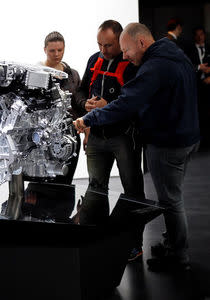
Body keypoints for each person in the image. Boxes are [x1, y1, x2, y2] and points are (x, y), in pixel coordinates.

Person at [74, 23, 200, 271]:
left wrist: (88, 119)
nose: (125, 55)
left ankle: (178, 255)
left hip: (166, 142)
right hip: (186, 136)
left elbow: (126, 103)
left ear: (141, 42)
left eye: (125, 49)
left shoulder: (152, 67)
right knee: (170, 196)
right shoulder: (172, 52)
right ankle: (171, 243)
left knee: (169, 200)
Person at [75, 20, 145, 261]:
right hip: (96, 137)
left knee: (133, 191)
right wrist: (85, 105)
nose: (103, 50)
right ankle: (98, 239)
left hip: (124, 137)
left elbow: (137, 103)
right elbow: (80, 91)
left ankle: (134, 244)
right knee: (96, 189)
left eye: (109, 45)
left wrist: (108, 107)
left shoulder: (133, 63)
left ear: (120, 40)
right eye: (99, 44)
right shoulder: (94, 60)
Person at [37, 31, 83, 184]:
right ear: (45, 50)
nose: (56, 54)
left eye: (60, 50)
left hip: (69, 137)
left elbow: (79, 103)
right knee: (41, 182)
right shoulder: (36, 74)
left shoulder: (73, 75)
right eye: (52, 50)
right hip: (43, 138)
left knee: (66, 182)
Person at [185, 26, 210, 147]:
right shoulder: (188, 50)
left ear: (205, 35)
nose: (200, 37)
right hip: (196, 88)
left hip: (209, 87)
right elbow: (186, 67)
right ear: (194, 36)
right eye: (197, 34)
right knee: (198, 114)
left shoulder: (209, 48)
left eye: (202, 34)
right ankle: (199, 143)